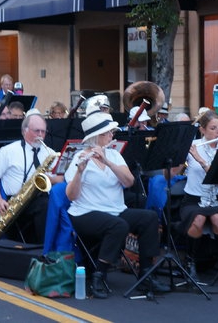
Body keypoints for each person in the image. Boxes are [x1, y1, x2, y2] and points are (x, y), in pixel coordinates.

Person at [65, 112, 169, 298]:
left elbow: (129, 181)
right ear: (98, 136)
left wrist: (107, 161)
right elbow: (71, 196)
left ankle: (145, 274)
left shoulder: (114, 154)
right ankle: (99, 275)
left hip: (115, 210)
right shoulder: (79, 157)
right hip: (85, 212)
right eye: (109, 132)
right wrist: (80, 172)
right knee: (118, 225)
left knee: (149, 218)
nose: (113, 135)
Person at [0, 113, 62, 244]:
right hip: (15, 203)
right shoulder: (8, 151)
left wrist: (48, 178)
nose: (41, 135)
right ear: (24, 131)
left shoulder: (50, 153)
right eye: (37, 131)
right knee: (45, 207)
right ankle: (44, 248)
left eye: (43, 131)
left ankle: (49, 248)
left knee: (48, 205)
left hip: (41, 199)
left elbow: (60, 178)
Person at [181, 110, 218, 283]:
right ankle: (190, 261)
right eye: (213, 128)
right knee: (199, 219)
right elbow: (173, 173)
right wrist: (178, 154)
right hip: (193, 199)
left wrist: (201, 160)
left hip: (217, 199)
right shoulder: (193, 146)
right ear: (203, 130)